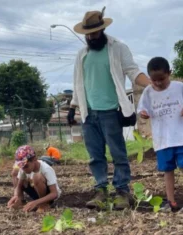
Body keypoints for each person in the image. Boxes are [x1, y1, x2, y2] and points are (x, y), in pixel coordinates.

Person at [67, 6, 151, 210]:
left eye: (94, 33)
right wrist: (73, 107)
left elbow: (133, 72)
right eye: (88, 35)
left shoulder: (118, 48)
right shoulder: (82, 55)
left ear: (102, 30)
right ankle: (101, 191)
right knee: (95, 156)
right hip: (89, 114)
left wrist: (154, 85)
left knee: (118, 153)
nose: (91, 37)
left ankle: (122, 192)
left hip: (112, 112)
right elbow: (79, 82)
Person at [137, 57, 183, 212]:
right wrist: (143, 114)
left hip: (180, 137)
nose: (158, 83)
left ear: (169, 73)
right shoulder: (148, 92)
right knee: (167, 171)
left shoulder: (179, 87)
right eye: (154, 80)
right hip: (162, 140)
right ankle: (171, 202)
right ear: (150, 78)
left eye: (161, 79)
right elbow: (143, 109)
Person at [7, 145, 61, 213]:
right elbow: (19, 186)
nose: (24, 169)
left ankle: (43, 204)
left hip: (50, 197)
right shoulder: (23, 169)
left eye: (26, 166)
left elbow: (54, 193)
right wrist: (16, 196)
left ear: (34, 159)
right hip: (36, 193)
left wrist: (36, 202)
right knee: (15, 173)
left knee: (37, 177)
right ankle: (21, 201)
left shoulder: (46, 169)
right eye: (21, 166)